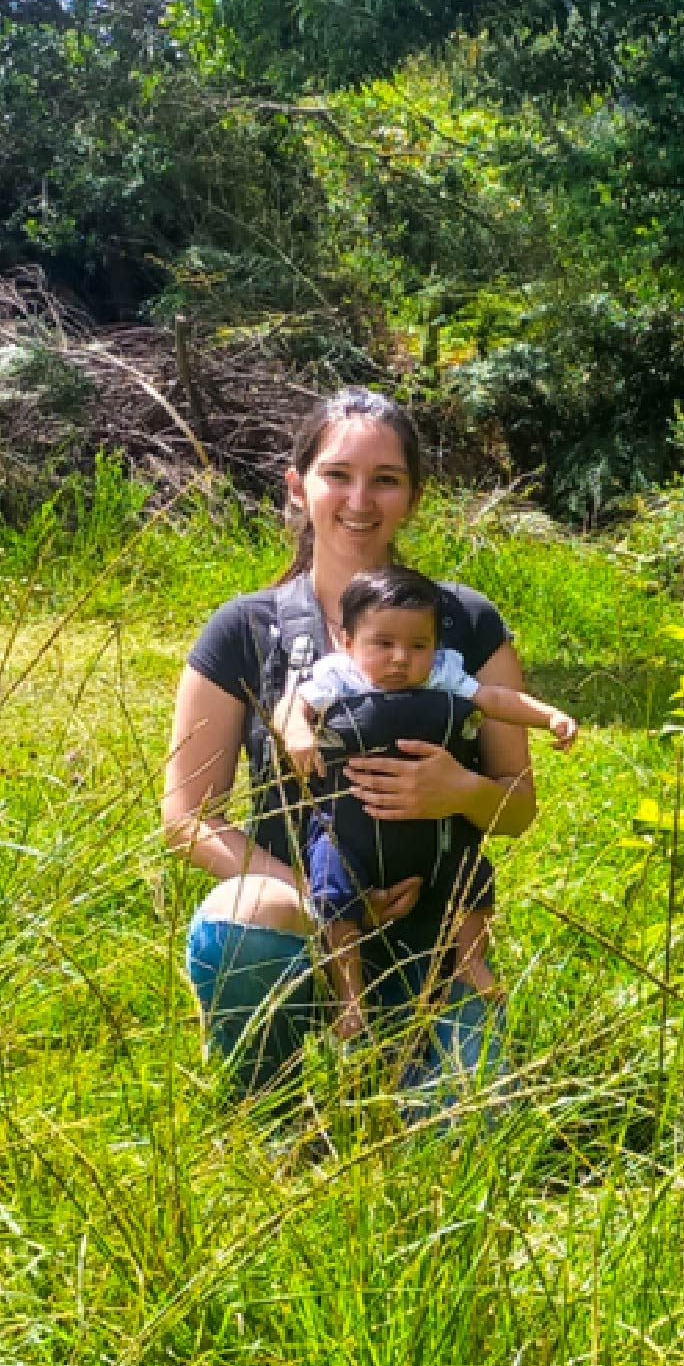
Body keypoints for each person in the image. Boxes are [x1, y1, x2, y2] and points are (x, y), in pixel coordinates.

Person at [161, 386, 542, 1112]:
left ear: (414, 496)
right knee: (244, 905)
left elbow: (518, 809)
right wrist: (325, 899)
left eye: (385, 479)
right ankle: (267, 1101)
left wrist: (461, 791)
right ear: (297, 486)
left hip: (435, 935)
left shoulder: (466, 622)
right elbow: (186, 817)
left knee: (470, 1132)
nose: (359, 500)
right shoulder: (244, 629)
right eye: (337, 474)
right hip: (299, 920)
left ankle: (407, 1039)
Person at [275, 563, 578, 1044]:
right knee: (334, 890)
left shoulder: (442, 676)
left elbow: (496, 699)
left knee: (472, 874)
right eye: (384, 644)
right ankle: (349, 998)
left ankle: (470, 961)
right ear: (348, 642)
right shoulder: (339, 677)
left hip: (434, 835)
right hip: (351, 830)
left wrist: (550, 717)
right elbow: (295, 705)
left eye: (418, 645)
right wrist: (297, 731)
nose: (401, 658)